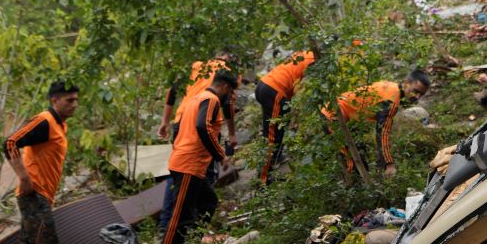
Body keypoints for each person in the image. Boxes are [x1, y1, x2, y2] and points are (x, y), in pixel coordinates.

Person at [5, 81, 79, 244]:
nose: (75, 104)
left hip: (42, 195)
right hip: (34, 194)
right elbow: (10, 142)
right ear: (54, 100)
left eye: (76, 100)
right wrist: (24, 177)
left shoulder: (60, 124)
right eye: (69, 100)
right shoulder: (44, 121)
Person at [161, 69, 235, 244]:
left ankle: (189, 242)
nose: (232, 98)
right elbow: (203, 127)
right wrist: (220, 155)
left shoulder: (196, 97)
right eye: (232, 93)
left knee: (209, 201)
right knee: (179, 216)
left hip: (189, 163)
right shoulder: (211, 99)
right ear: (224, 87)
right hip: (188, 164)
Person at [321, 70, 430, 179]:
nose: (417, 97)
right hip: (334, 116)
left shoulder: (390, 87)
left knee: (360, 160)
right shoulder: (391, 100)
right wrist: (389, 164)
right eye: (416, 91)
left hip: (341, 117)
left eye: (421, 94)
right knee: (353, 167)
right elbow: (382, 134)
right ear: (407, 82)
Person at [253, 48, 317, 183]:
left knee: (272, 130)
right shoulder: (314, 60)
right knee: (273, 134)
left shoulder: (305, 53)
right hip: (274, 90)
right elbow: (305, 86)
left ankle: (273, 160)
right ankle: (264, 177)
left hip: (265, 85)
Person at [160, 50, 238, 151]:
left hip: (182, 119)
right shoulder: (228, 73)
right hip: (205, 121)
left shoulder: (197, 66)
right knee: (203, 163)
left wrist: (165, 122)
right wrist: (232, 134)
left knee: (181, 159)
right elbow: (228, 104)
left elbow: (173, 91)